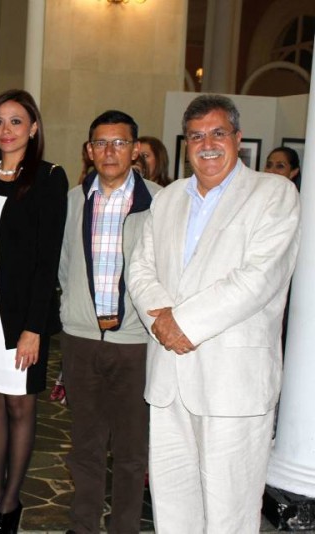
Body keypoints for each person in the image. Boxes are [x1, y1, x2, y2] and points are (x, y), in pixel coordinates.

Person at [129, 94, 301, 532]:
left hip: (233, 384)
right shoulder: (167, 200)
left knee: (231, 511)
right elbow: (140, 269)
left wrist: (181, 324)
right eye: (197, 136)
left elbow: (258, 278)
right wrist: (162, 324)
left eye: (217, 133)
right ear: (186, 144)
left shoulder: (273, 194)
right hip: (169, 378)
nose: (207, 144)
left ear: (238, 139)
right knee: (173, 506)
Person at [0, 89, 68, 534]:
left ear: (33, 127)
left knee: (20, 408)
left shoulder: (49, 178)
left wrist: (34, 328)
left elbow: (47, 261)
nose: (6, 130)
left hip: (20, 317)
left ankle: (10, 505)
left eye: (15, 121)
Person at [59, 110, 160, 534]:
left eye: (119, 142)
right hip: (81, 339)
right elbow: (63, 267)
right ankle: (83, 526)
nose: (110, 151)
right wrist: (77, 313)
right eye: (101, 143)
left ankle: (124, 529)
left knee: (132, 450)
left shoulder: (160, 201)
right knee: (85, 445)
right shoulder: (72, 200)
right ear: (89, 150)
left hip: (135, 343)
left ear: (136, 149)